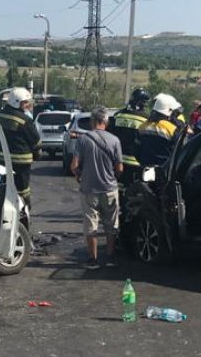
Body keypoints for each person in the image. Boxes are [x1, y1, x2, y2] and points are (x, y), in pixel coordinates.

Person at [71, 106, 123, 270]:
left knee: (91, 225)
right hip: (109, 188)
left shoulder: (83, 140)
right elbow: (120, 168)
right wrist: (114, 179)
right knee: (111, 224)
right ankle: (110, 257)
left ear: (93, 121)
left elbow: (74, 165)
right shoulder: (115, 140)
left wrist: (79, 175)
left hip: (88, 189)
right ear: (106, 122)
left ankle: (93, 259)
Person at [0, 87, 42, 206]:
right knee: (22, 189)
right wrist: (38, 155)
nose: (27, 105)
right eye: (25, 102)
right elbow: (35, 141)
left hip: (2, 160)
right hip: (21, 162)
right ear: (15, 102)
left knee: (5, 186)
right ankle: (24, 208)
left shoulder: (0, 116)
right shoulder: (24, 120)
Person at [107, 88, 150, 185]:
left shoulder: (118, 115)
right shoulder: (145, 119)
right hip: (135, 162)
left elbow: (109, 136)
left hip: (116, 160)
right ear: (141, 102)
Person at [136, 93, 180, 167]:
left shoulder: (142, 126)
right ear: (169, 111)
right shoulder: (172, 129)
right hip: (164, 169)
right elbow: (178, 152)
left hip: (145, 168)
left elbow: (136, 149)